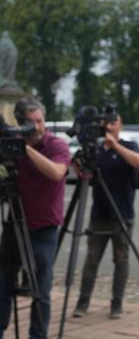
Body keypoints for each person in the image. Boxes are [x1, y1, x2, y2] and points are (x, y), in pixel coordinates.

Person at [0, 97, 70, 339]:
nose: (37, 127)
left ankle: (37, 336)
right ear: (19, 123)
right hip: (15, 222)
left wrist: (25, 148)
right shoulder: (10, 144)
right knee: (3, 283)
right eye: (30, 123)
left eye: (40, 121)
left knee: (41, 289)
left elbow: (56, 172)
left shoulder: (56, 145)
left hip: (44, 227)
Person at [72, 113, 139, 319]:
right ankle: (82, 302)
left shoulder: (129, 146)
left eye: (114, 122)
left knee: (121, 260)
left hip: (122, 214)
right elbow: (85, 176)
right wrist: (78, 164)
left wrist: (115, 147)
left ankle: (117, 304)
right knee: (91, 259)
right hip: (99, 214)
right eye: (107, 123)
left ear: (120, 125)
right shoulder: (96, 151)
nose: (110, 126)